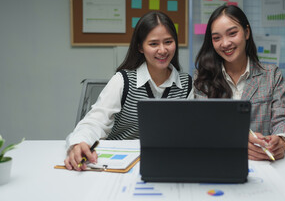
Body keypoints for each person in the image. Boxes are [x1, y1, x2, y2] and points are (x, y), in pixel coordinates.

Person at [64, 11, 192, 170]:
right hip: (117, 165)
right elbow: (95, 121)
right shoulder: (122, 81)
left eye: (168, 42)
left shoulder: (188, 85)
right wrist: (79, 143)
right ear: (140, 47)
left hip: (165, 164)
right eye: (153, 44)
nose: (162, 50)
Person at [194, 4, 285, 161]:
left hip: (265, 163)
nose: (225, 43)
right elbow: (201, 127)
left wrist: (282, 141)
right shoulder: (203, 78)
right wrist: (239, 139)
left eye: (232, 33)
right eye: (217, 38)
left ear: (247, 32)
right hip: (220, 160)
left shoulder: (271, 75)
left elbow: (284, 118)